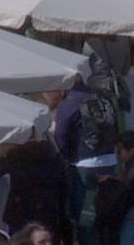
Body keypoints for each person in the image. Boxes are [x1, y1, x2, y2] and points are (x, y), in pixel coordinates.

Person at [45, 83, 116, 245]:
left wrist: (68, 158)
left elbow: (60, 135)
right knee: (106, 212)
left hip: (84, 166)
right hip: (109, 162)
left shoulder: (69, 103)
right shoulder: (103, 99)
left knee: (86, 217)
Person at [0, 140, 70, 243]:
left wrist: (0, 155)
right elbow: (65, 188)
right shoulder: (56, 157)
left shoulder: (17, 155)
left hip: (20, 210)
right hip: (49, 210)